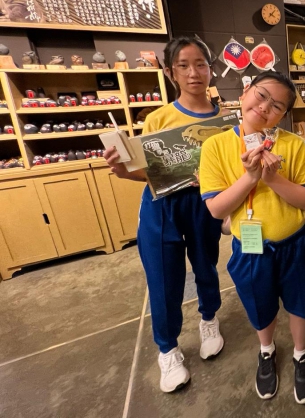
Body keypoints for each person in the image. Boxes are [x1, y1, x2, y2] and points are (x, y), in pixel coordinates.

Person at [103, 37, 224, 393]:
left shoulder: (225, 120)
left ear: (210, 69)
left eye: (200, 64)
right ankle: (168, 350)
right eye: (183, 66)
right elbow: (150, 172)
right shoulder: (158, 119)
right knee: (163, 278)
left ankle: (209, 319)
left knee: (206, 265)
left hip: (203, 205)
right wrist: (124, 171)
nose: (193, 73)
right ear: (171, 73)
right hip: (162, 207)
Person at [199, 72, 305, 404]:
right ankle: (266, 350)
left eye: (277, 105)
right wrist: (251, 177)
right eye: (262, 95)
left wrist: (273, 180)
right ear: (245, 93)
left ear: (283, 115)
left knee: (301, 303)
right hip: (250, 248)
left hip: (296, 245)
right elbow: (216, 208)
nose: (266, 107)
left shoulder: (293, 145)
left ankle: (301, 352)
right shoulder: (216, 146)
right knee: (260, 304)